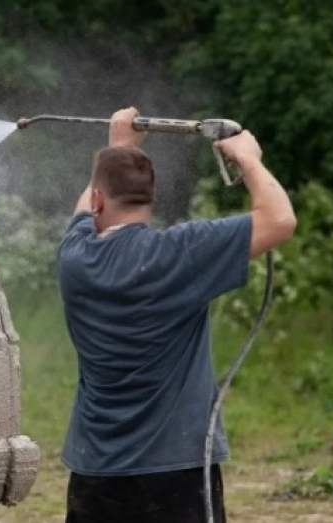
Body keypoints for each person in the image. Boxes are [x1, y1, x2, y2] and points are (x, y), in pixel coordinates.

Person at [56, 106, 297, 523]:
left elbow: (83, 214)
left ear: (98, 199)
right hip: (176, 475)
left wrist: (118, 148)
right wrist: (248, 159)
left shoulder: (74, 258)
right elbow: (279, 220)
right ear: (151, 198)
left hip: (95, 473)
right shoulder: (182, 253)